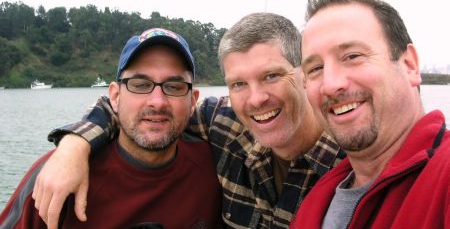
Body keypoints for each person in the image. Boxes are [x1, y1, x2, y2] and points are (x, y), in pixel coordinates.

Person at [30, 13, 344, 229]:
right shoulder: (227, 125)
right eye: (238, 84)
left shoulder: (354, 160)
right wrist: (75, 144)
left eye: (272, 76)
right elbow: (144, 114)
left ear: (305, 73)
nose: (256, 98)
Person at [0, 28, 222, 228]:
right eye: (140, 85)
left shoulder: (213, 170)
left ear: (193, 101)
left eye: (174, 87)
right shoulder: (56, 176)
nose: (157, 101)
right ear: (115, 96)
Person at [290, 0, 450, 228]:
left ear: (410, 65)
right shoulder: (314, 202)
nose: (331, 84)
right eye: (315, 68)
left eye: (353, 56)